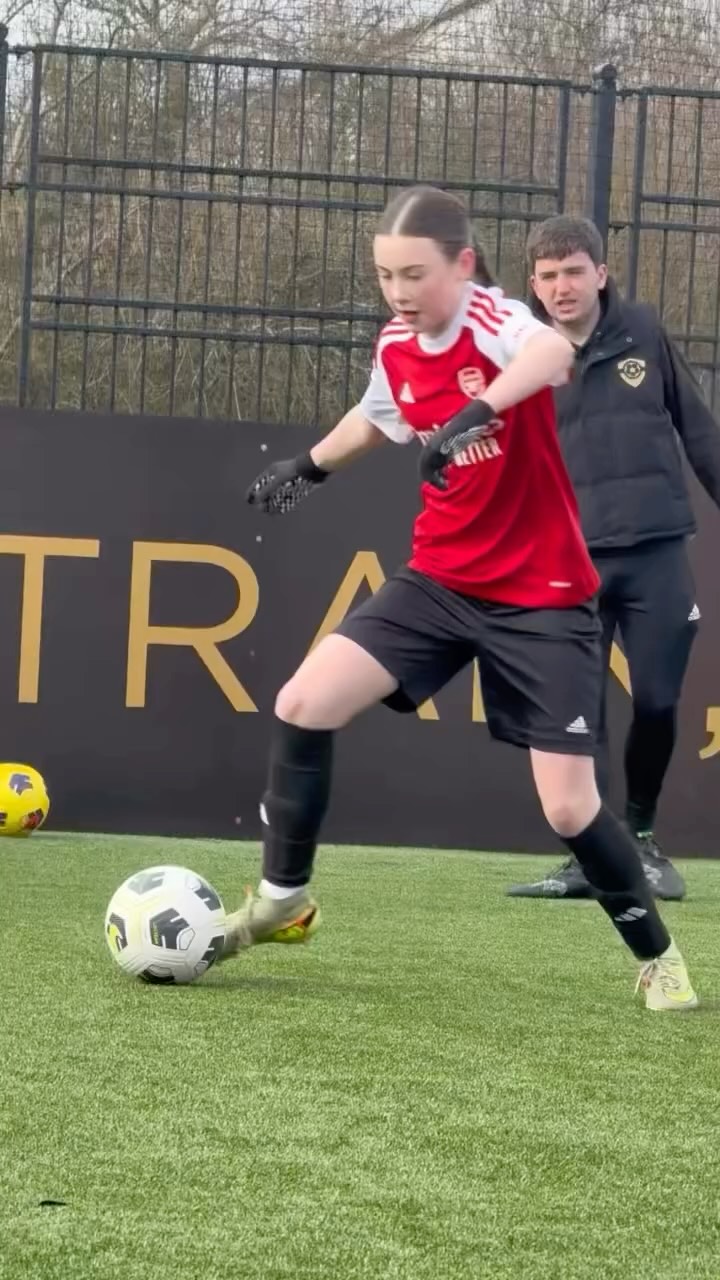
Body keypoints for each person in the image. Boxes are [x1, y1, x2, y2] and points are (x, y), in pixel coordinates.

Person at [222, 185, 697, 1012]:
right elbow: (377, 418)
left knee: (568, 806)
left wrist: (479, 409)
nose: (399, 292)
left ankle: (658, 958)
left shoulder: (498, 320)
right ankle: (283, 898)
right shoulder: (398, 343)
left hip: (542, 598)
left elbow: (551, 356)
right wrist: (308, 465)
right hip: (439, 580)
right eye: (384, 276)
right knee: (304, 701)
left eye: (414, 274)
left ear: (463, 265)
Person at [507, 214, 720, 902]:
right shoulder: (522, 356)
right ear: (533, 286)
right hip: (566, 563)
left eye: (574, 271)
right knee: (578, 715)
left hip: (655, 551)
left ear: (601, 273)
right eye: (548, 276)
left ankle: (644, 837)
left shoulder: (645, 333)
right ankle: (588, 859)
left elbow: (700, 431)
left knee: (657, 701)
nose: (561, 287)